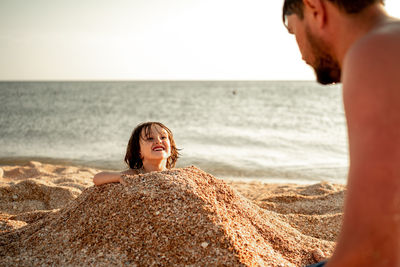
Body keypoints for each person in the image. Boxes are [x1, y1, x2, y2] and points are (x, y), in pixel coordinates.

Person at [282, 0, 400, 266]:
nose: (301, 54)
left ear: (314, 8)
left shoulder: (374, 49)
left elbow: (372, 255)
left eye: (293, 31)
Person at [93, 122, 180, 186]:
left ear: (171, 148)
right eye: (150, 138)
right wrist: (120, 177)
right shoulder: (135, 174)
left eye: (163, 137)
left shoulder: (176, 175)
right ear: (138, 150)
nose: (158, 141)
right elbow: (97, 178)